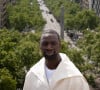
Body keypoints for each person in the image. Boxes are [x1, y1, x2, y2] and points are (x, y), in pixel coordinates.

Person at [23, 29, 90, 90]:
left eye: (53, 43)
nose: (49, 47)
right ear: (40, 46)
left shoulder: (75, 77)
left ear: (60, 46)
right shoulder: (32, 75)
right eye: (45, 43)